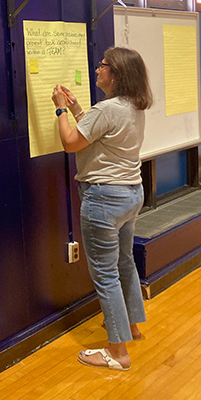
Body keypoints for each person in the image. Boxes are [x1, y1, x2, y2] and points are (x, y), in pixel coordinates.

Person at [52, 46, 153, 371]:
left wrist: (60, 111)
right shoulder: (132, 107)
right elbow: (96, 136)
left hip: (103, 201)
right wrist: (78, 108)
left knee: (106, 274)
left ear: (116, 74)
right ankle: (132, 328)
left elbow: (70, 143)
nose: (97, 69)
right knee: (124, 264)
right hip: (130, 195)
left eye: (103, 65)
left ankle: (117, 353)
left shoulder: (107, 109)